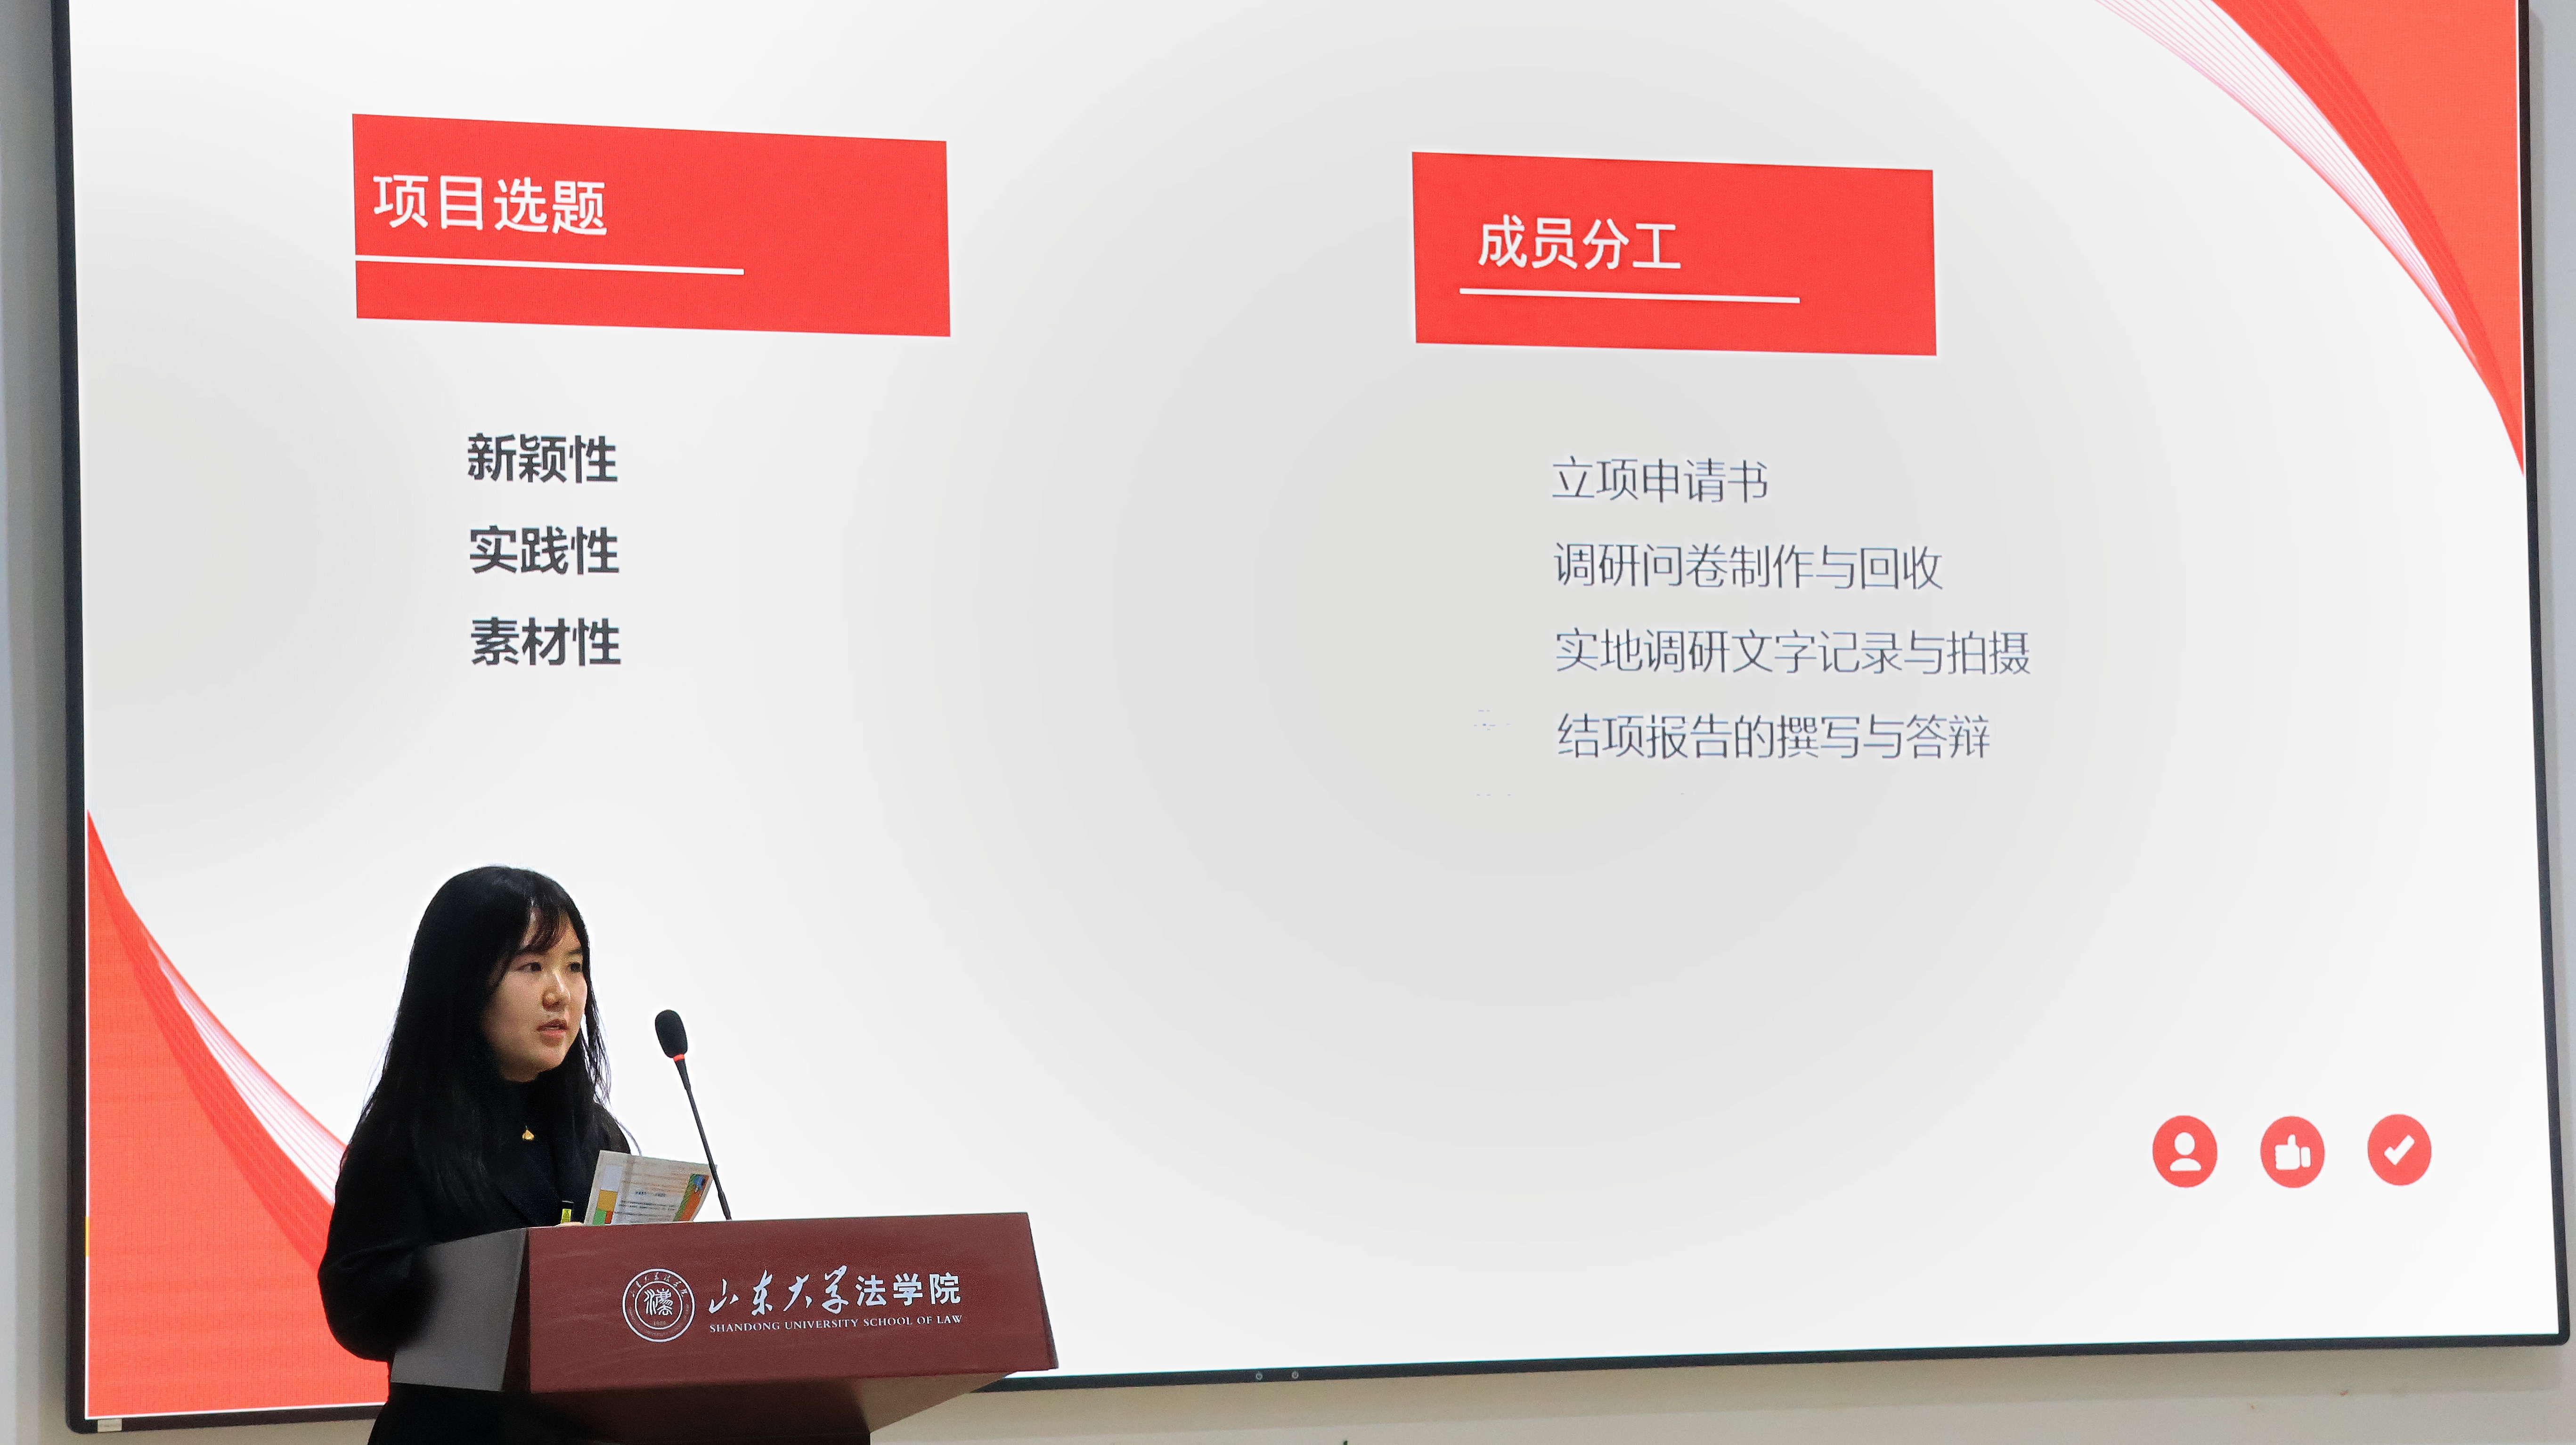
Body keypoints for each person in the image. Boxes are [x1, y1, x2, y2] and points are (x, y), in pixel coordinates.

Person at [319, 866, 631, 1445]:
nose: (560, 992)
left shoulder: (598, 1133)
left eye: (574, 966)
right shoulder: (406, 1135)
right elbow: (359, 1310)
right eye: (531, 966)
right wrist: (500, 1278)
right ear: (462, 983)